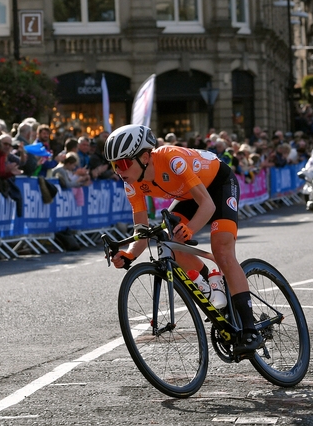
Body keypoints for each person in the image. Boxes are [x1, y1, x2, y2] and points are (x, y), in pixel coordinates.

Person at [104, 124, 264, 355]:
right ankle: (213, 283)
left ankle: (250, 330)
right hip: (187, 195)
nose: (119, 170)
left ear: (146, 156)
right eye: (114, 165)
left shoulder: (171, 159)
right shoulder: (131, 183)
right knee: (171, 243)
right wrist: (129, 254)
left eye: (124, 163)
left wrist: (189, 230)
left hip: (218, 186)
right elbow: (142, 229)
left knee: (222, 251)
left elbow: (207, 205)